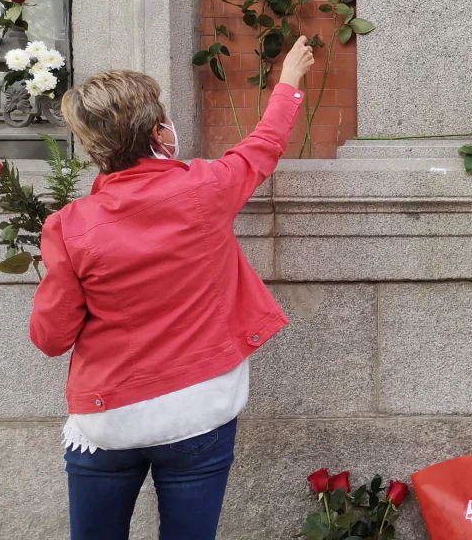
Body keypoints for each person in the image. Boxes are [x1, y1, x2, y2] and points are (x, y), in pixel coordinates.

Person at [29, 37, 316, 540]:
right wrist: (288, 80)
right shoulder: (206, 188)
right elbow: (262, 146)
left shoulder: (68, 227)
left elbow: (51, 338)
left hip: (108, 416)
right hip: (198, 408)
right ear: (158, 131)